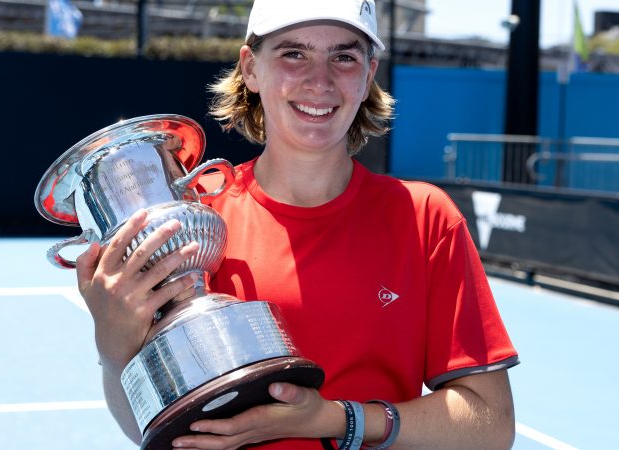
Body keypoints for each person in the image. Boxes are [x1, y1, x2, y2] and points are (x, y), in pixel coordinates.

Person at [76, 1, 519, 449]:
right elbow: (155, 429)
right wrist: (114, 352)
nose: (320, 81)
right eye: (294, 54)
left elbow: (490, 425)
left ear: (368, 76)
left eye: (343, 57)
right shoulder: (191, 211)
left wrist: (335, 419)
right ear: (250, 68)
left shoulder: (425, 217)